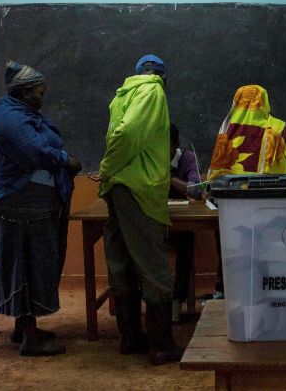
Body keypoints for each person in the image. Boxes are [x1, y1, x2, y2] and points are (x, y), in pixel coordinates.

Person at [0, 60, 81, 356]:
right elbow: (35, 151)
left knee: (27, 267)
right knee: (26, 268)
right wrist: (66, 160)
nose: (44, 97)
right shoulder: (10, 120)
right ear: (25, 93)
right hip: (20, 207)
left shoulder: (18, 113)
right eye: (40, 92)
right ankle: (30, 338)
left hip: (29, 206)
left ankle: (22, 327)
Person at [98, 53, 183, 365]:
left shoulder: (124, 93)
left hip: (121, 185)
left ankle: (130, 337)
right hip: (139, 186)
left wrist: (110, 172)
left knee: (121, 260)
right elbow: (128, 134)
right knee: (152, 262)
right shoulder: (152, 91)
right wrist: (107, 166)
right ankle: (161, 345)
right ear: (163, 76)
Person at [207, 84, 286, 296]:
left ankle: (228, 294)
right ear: (265, 103)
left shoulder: (226, 132)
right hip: (271, 215)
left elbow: (214, 179)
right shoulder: (279, 129)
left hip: (234, 217)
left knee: (232, 255)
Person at [167, 123, 202, 323]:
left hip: (179, 224)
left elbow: (196, 190)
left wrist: (169, 178)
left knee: (186, 242)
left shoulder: (187, 158)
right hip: (154, 221)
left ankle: (177, 299)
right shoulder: (148, 158)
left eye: (167, 146)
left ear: (176, 144)